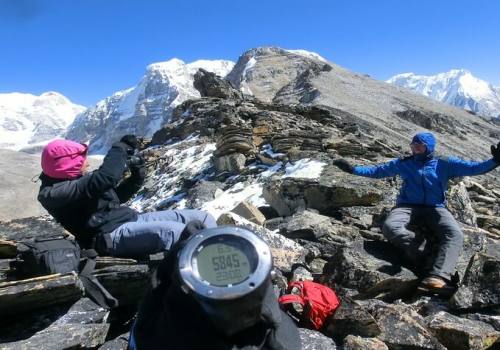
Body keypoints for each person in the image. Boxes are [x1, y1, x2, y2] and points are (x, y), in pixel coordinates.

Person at [333, 132, 499, 291]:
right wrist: (353, 170)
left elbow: (473, 168)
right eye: (413, 145)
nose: (415, 148)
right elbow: (378, 171)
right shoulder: (405, 163)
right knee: (391, 227)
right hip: (407, 206)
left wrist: (495, 161)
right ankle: (429, 254)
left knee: (455, 234)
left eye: (419, 145)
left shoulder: (445, 163)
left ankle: (438, 277)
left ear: (429, 147)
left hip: (436, 208)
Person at [37, 136, 216, 258]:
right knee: (174, 232)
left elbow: (115, 197)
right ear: (66, 164)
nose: (88, 162)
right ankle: (205, 274)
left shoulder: (74, 179)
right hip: (107, 236)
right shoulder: (53, 193)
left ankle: (221, 254)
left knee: (203, 218)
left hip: (129, 220)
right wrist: (119, 148)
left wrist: (137, 176)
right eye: (81, 160)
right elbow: (106, 178)